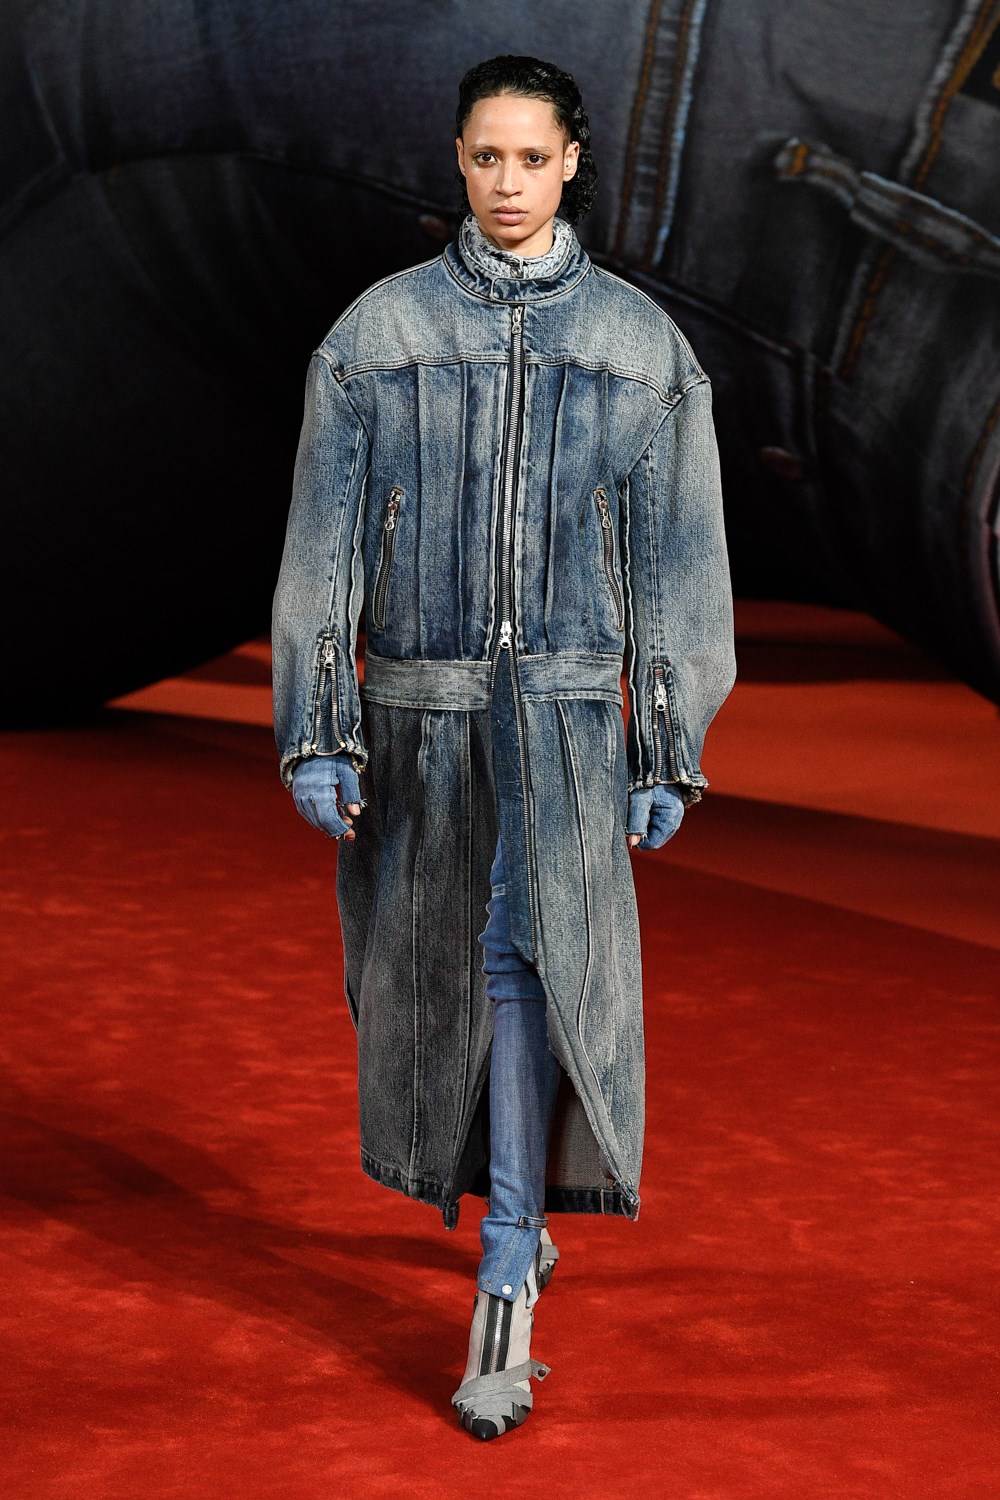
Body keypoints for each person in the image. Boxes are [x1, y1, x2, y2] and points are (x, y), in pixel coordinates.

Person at [272, 54, 736, 1440]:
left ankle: (506, 1267)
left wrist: (665, 740)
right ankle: (507, 1227)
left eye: (534, 158)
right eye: (488, 158)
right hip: (421, 719)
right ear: (459, 161)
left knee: (532, 971)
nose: (510, 183)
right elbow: (322, 548)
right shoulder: (377, 336)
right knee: (426, 986)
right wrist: (318, 727)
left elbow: (681, 566)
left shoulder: (641, 349)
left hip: (572, 727)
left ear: (573, 162)